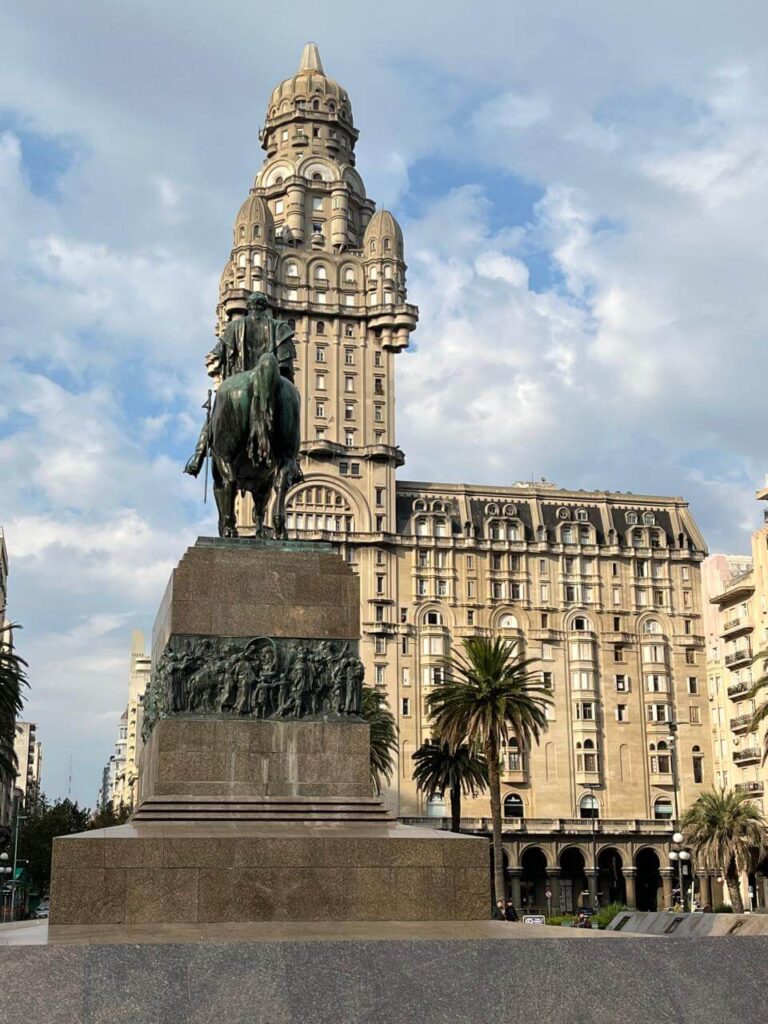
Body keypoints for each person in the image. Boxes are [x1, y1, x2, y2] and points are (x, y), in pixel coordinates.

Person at [184, 291, 296, 476]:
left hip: (238, 379)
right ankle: (293, 463)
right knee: (291, 412)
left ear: (249, 308)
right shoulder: (280, 328)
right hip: (273, 383)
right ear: (266, 308)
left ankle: (197, 457)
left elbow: (218, 353)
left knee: (213, 419)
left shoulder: (234, 326)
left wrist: (216, 359)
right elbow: (285, 368)